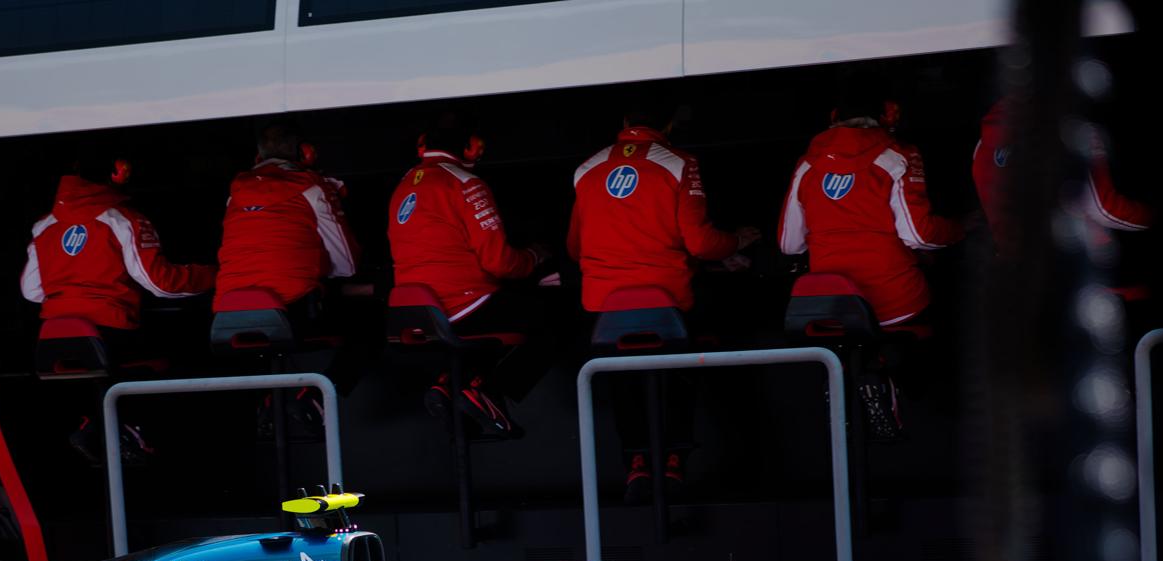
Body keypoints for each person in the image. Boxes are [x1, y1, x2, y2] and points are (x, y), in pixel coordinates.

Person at [568, 99, 759, 501]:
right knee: (685, 357)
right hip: (669, 302)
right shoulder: (678, 162)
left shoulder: (586, 168)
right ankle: (674, 458)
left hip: (604, 307)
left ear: (624, 122)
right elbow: (702, 243)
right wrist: (738, 241)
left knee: (621, 371)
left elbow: (575, 246)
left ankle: (636, 461)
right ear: (669, 124)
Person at [20, 152, 215, 463]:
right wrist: (213, 275)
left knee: (104, 376)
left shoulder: (44, 225)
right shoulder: (121, 219)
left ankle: (97, 425)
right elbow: (160, 283)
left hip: (54, 340)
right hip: (112, 334)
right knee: (182, 355)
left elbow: (31, 291)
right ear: (117, 172)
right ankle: (133, 434)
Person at [387, 110, 551, 435]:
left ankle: (448, 385)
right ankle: (484, 390)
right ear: (472, 146)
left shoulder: (403, 184)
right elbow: (500, 263)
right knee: (556, 318)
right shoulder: (466, 184)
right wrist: (536, 256)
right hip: (461, 309)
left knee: (494, 319)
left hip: (414, 312)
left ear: (424, 145)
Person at [776, 77, 963, 328]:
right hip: (898, 307)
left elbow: (789, 244)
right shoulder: (899, 157)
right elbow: (919, 235)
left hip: (831, 309)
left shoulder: (806, 166)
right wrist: (959, 229)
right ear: (887, 115)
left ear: (834, 116)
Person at [215, 120, 361, 433]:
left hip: (227, 319)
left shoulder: (234, 194)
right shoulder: (311, 187)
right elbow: (346, 265)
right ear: (306, 153)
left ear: (257, 158)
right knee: (368, 322)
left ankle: (269, 403)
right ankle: (320, 395)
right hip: (292, 312)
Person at [972, 95, 1150, 253]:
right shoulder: (1062, 125)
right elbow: (1102, 207)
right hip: (1065, 261)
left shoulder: (983, 147)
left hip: (1014, 266)